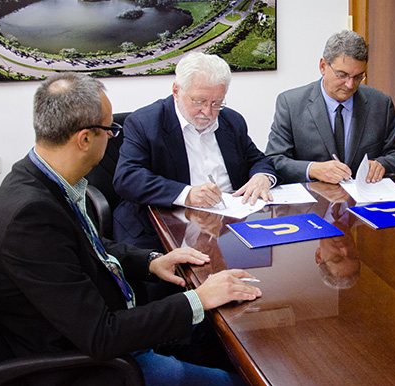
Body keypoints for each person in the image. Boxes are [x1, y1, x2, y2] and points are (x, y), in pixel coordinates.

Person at [0, 73, 261, 386]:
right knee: (240, 380)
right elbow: (102, 335)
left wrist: (150, 261)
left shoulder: (38, 178)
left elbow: (85, 247)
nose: (113, 138)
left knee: (213, 338)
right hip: (96, 366)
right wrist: (199, 299)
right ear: (85, 139)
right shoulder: (29, 218)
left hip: (106, 332)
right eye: (110, 130)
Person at [113, 52, 276, 251]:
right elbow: (127, 177)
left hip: (227, 225)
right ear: (176, 90)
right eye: (199, 102)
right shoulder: (145, 123)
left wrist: (262, 176)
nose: (208, 112)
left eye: (217, 103)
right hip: (164, 225)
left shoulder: (232, 121)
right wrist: (187, 194)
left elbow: (257, 158)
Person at [265, 30, 395, 184]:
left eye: (358, 76)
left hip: (363, 200)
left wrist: (382, 165)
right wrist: (313, 169)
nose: (350, 84)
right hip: (313, 200)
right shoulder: (291, 104)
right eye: (342, 75)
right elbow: (275, 160)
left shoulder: (380, 104)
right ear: (323, 66)